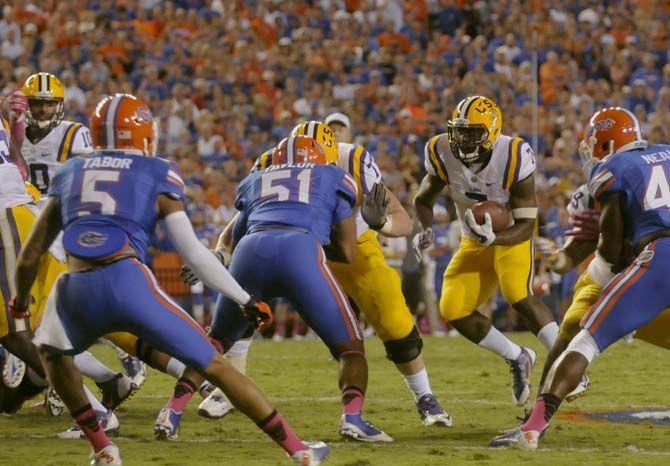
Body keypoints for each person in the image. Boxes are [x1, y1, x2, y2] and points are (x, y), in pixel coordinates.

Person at [12, 94, 327, 466]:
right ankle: (298, 450)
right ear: (144, 133)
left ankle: (103, 447)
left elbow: (31, 254)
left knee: (52, 354)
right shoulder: (156, 171)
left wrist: (19, 303)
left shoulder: (69, 173)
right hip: (129, 281)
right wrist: (243, 298)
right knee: (214, 365)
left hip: (76, 288)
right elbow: (192, 252)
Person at [198, 120, 453, 428]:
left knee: (395, 321)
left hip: (352, 249)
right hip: (296, 246)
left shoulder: (353, 162)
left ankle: (425, 396)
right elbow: (245, 217)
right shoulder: (270, 160)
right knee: (247, 296)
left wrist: (381, 223)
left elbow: (402, 218)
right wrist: (222, 252)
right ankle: (229, 389)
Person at [164, 134, 392, 443]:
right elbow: (348, 252)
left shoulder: (258, 177)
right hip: (300, 250)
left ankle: (172, 410)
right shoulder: (333, 176)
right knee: (350, 348)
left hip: (250, 251)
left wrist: (221, 257)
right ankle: (352, 419)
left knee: (215, 342)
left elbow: (238, 233)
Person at [490, 107, 670, 449]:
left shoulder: (611, 171)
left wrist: (604, 274)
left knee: (585, 341)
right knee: (574, 326)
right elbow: (579, 245)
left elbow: (611, 248)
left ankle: (533, 428)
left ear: (604, 142)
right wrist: (559, 259)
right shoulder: (665, 154)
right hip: (651, 257)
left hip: (658, 259)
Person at [413, 96, 559, 406]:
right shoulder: (441, 152)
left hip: (511, 235)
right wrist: (425, 231)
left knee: (516, 293)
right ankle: (517, 356)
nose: (463, 139)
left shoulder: (514, 155)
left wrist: (495, 239)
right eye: (459, 131)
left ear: (491, 132)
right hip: (472, 238)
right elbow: (422, 200)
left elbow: (525, 223)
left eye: (472, 133)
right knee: (452, 308)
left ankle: (565, 359)